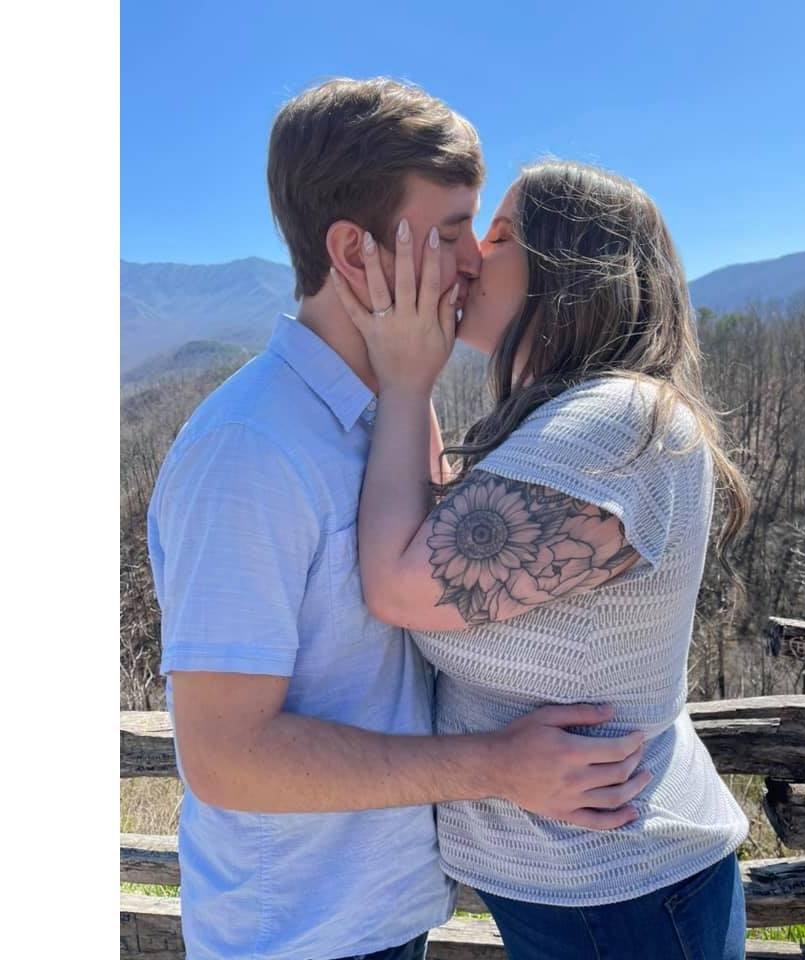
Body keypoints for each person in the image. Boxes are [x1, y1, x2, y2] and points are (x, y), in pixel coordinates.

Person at [147, 79, 653, 960]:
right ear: (353, 250)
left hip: (381, 915)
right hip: (298, 936)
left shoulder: (381, 414)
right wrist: (497, 764)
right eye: (451, 232)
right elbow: (225, 756)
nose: (475, 262)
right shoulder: (250, 452)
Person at [328, 159, 753, 960]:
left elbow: (400, 583)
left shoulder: (616, 424)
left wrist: (405, 382)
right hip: (588, 885)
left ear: (571, 270)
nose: (469, 259)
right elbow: (435, 530)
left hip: (622, 893)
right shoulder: (567, 418)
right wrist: (410, 377)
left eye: (499, 237)